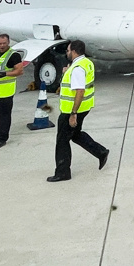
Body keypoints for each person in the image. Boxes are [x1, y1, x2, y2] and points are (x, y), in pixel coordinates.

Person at [47, 40, 109, 182]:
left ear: (74, 51)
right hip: (84, 107)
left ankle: (63, 172)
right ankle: (101, 152)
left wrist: (73, 114)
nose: (67, 53)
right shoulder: (86, 63)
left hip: (72, 110)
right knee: (75, 135)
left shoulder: (77, 69)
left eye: (68, 50)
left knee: (62, 140)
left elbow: (79, 91)